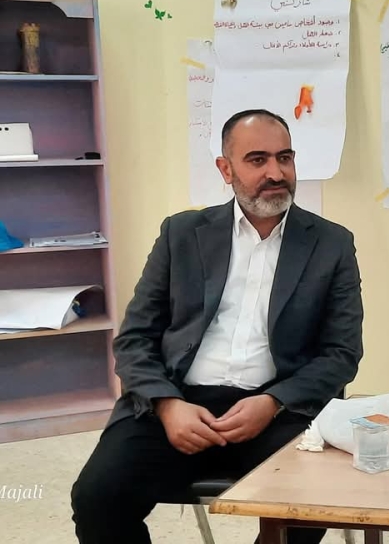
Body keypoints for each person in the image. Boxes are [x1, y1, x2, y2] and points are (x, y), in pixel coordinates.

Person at [71, 109, 364, 544]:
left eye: (284, 158)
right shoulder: (182, 234)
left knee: (305, 504)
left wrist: (273, 401)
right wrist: (167, 404)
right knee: (97, 498)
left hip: (279, 409)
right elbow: (135, 338)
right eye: (257, 159)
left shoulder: (330, 243)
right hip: (178, 401)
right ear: (226, 170)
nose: (276, 172)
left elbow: (342, 353)